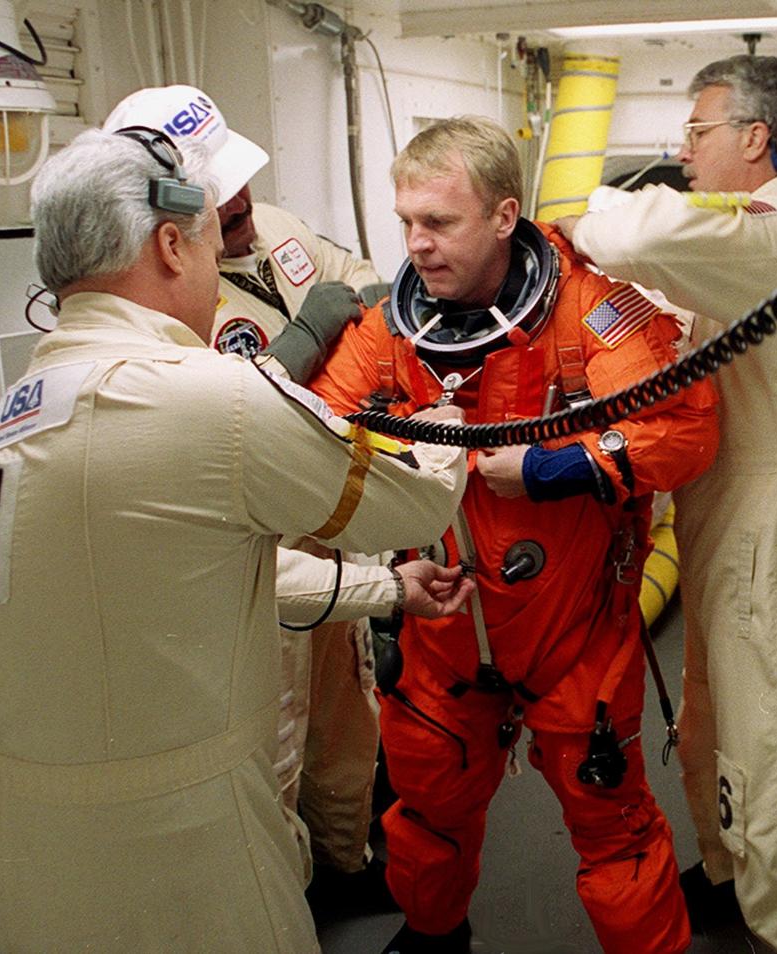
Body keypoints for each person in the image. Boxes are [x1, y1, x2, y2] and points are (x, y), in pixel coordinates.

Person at [0, 128, 471, 952]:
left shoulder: (1, 423)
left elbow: (198, 575)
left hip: (6, 848)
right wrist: (450, 408)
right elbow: (414, 506)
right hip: (164, 840)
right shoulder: (207, 399)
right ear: (169, 244)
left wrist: (388, 592)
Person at [306, 116, 719, 954]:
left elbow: (683, 429)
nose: (417, 245)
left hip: (573, 634)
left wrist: (541, 468)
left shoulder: (591, 312)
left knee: (618, 836)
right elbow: (316, 427)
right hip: (445, 628)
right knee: (425, 813)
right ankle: (433, 936)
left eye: (439, 223)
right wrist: (410, 444)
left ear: (502, 216)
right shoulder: (391, 328)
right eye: (407, 223)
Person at [556, 55, 777, 954]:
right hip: (729, 517)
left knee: (769, 786)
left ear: (753, 139)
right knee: (708, 740)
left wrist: (569, 222)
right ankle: (733, 891)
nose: (685, 154)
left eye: (695, 134)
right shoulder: (759, 251)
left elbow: (638, 237)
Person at [103, 84, 395, 893]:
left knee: (347, 711)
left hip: (327, 511)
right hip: (250, 549)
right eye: (213, 191)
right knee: (275, 731)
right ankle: (282, 898)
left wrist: (361, 319)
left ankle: (344, 860)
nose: (236, 201)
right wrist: (302, 347)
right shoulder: (151, 293)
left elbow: (356, 277)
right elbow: (201, 416)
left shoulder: (277, 230)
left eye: (237, 180)